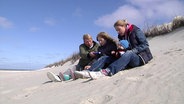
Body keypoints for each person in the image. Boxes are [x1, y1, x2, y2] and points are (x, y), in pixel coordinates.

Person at [89, 19, 153, 79]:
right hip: (127, 58)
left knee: (129, 53)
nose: (118, 32)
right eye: (116, 30)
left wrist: (132, 51)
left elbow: (145, 45)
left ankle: (108, 71)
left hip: (141, 58)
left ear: (124, 26)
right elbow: (125, 48)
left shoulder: (136, 31)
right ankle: (89, 71)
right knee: (106, 57)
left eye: (119, 29)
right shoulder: (121, 36)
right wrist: (118, 51)